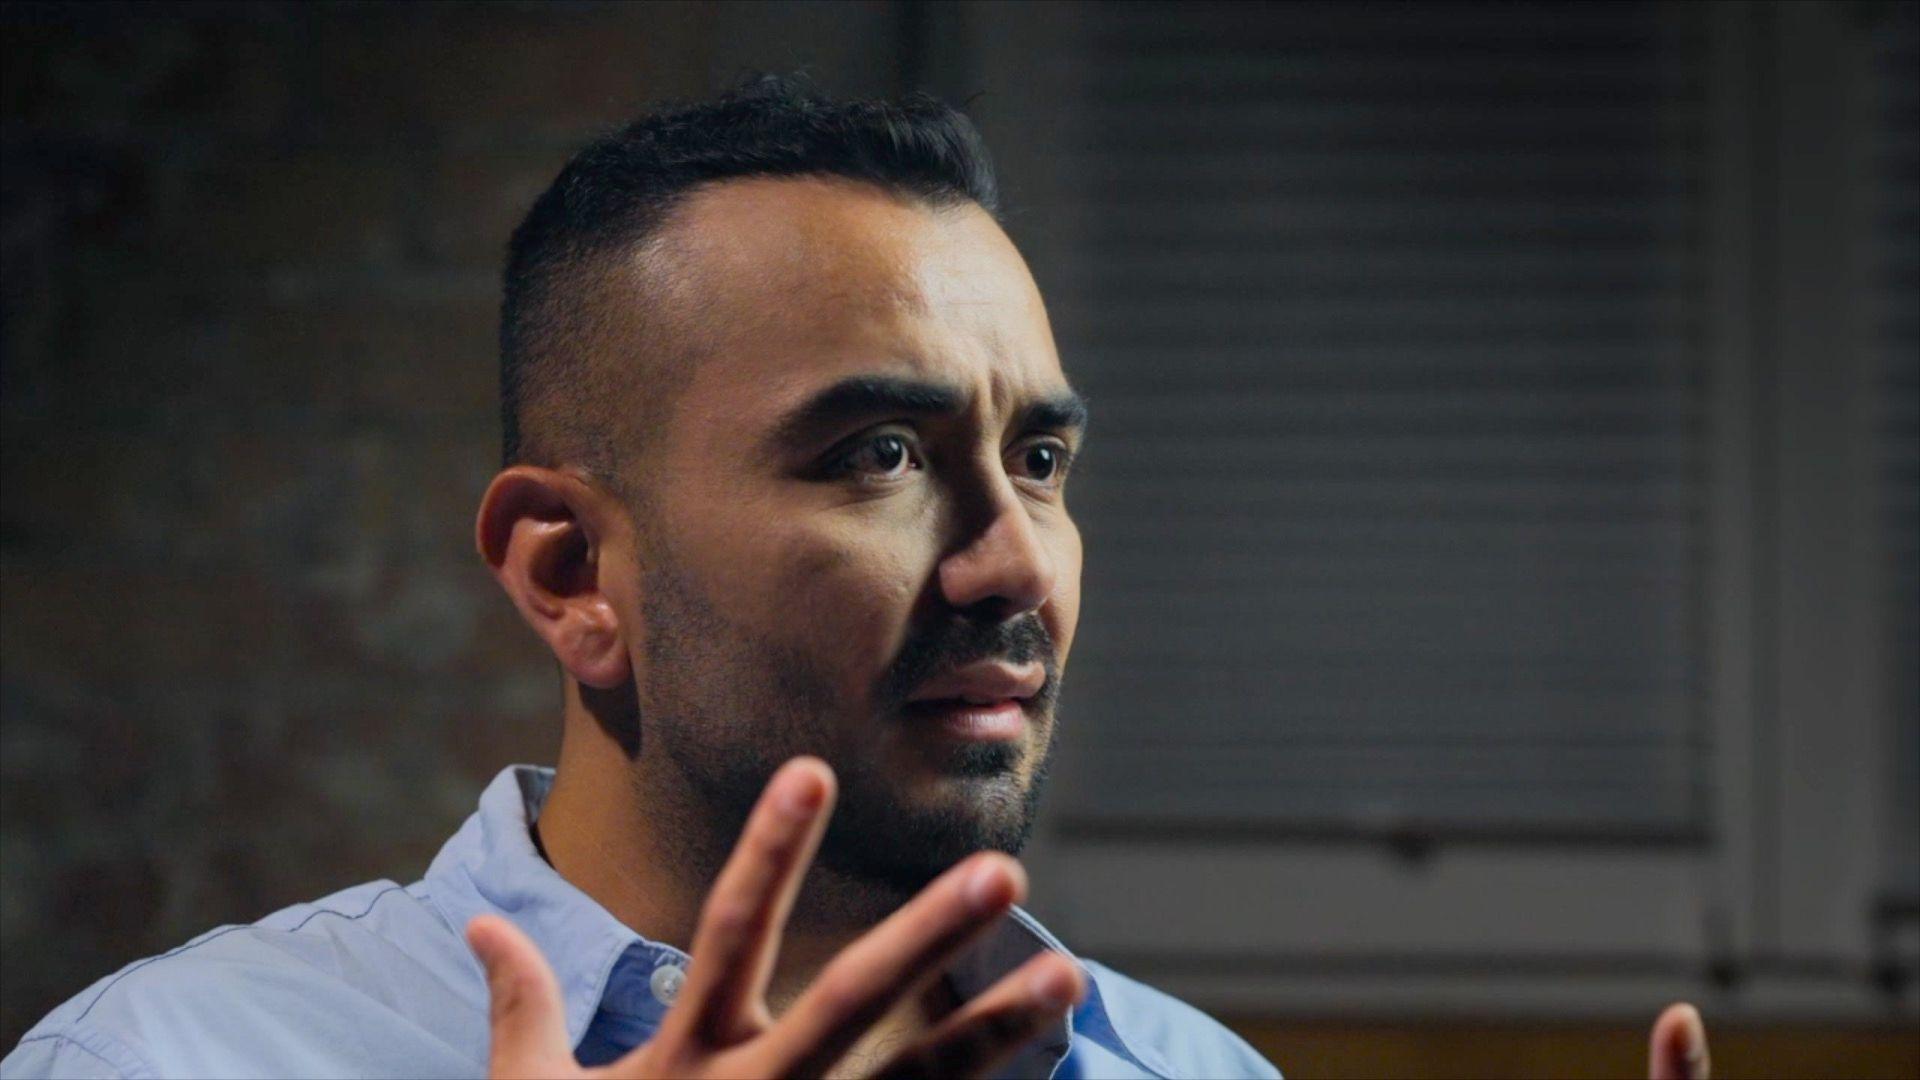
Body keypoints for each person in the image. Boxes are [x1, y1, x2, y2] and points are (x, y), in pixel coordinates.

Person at [2, 77, 1710, 1080]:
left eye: (1040, 461)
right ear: (570, 566)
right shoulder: (173, 1064)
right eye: (878, 457)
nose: (1013, 558)